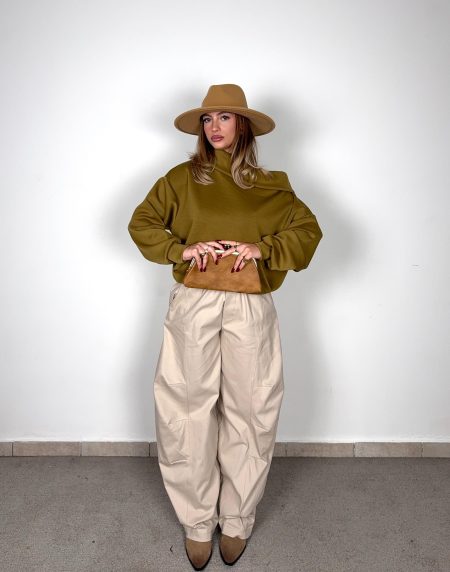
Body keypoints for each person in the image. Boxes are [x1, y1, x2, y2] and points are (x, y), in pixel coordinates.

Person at [128, 84, 322, 570]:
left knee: (252, 408)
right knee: (185, 406)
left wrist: (264, 249)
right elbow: (142, 222)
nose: (214, 127)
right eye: (207, 118)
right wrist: (180, 249)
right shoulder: (180, 180)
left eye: (225, 117)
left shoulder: (271, 185)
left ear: (243, 126)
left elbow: (307, 231)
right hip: (194, 301)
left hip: (251, 303)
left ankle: (236, 519)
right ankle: (197, 522)